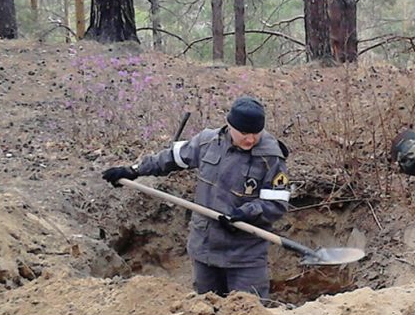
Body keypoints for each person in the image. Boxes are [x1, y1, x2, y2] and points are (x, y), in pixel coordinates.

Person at [102, 96, 290, 299]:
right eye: (244, 133)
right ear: (229, 125)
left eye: (256, 133)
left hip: (245, 256)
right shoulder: (207, 141)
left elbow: (276, 203)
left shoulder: (271, 157)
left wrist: (245, 214)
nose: (251, 139)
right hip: (204, 249)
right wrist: (133, 170)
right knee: (205, 311)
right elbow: (170, 159)